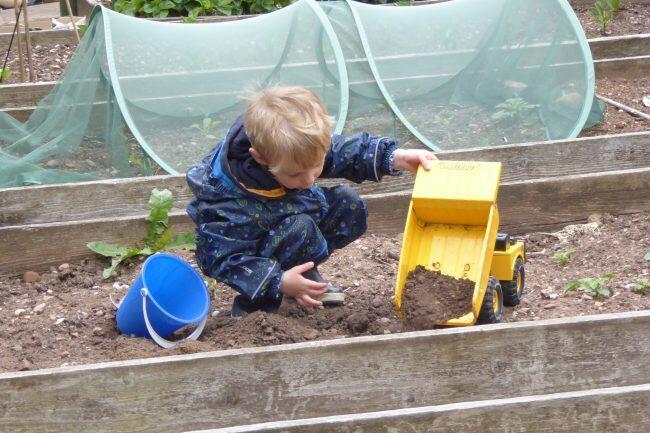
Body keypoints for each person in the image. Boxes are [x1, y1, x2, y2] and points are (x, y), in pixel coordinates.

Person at [186, 86, 436, 316]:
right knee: (299, 228)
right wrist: (277, 280)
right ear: (261, 159)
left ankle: (302, 273)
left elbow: (343, 151)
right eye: (296, 174)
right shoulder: (225, 198)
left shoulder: (296, 149)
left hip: (291, 217)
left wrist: (395, 157)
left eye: (316, 167)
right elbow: (221, 258)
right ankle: (258, 306)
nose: (308, 180)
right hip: (255, 254)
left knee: (348, 205)